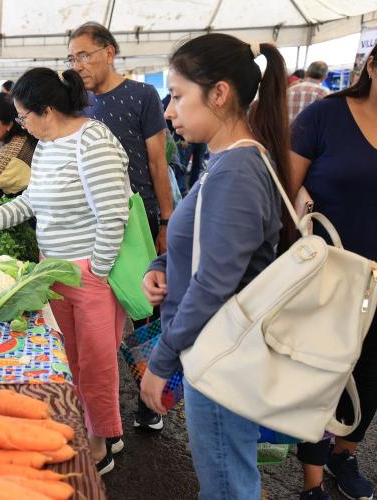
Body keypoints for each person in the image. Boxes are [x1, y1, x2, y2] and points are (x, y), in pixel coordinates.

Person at [0, 68, 130, 476]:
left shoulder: (91, 141)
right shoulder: (47, 145)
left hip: (88, 272)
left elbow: (113, 215)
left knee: (97, 362)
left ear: (47, 110)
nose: (22, 124)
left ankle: (101, 443)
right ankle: (95, 428)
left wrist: (97, 272)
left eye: (24, 116)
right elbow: (31, 201)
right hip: (54, 271)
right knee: (71, 359)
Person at [139, 34, 290, 499]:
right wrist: (162, 264)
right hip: (218, 352)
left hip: (222, 358)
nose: (169, 111)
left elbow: (213, 283)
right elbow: (207, 247)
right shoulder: (224, 161)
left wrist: (160, 362)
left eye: (178, 95)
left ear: (219, 93)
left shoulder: (237, 171)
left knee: (226, 487)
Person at [68, 20, 174, 432]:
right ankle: (101, 410)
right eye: (72, 58)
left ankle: (151, 399)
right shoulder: (76, 103)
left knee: (144, 310)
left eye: (84, 55)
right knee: (98, 317)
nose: (78, 65)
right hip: (89, 225)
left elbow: (158, 163)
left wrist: (165, 221)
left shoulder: (142, 95)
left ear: (109, 52)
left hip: (137, 218)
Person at [289, 44, 377, 500]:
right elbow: (286, 187)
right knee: (322, 373)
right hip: (330, 272)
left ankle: (344, 454)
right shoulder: (325, 116)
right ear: (372, 66)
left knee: (371, 373)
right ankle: (312, 479)